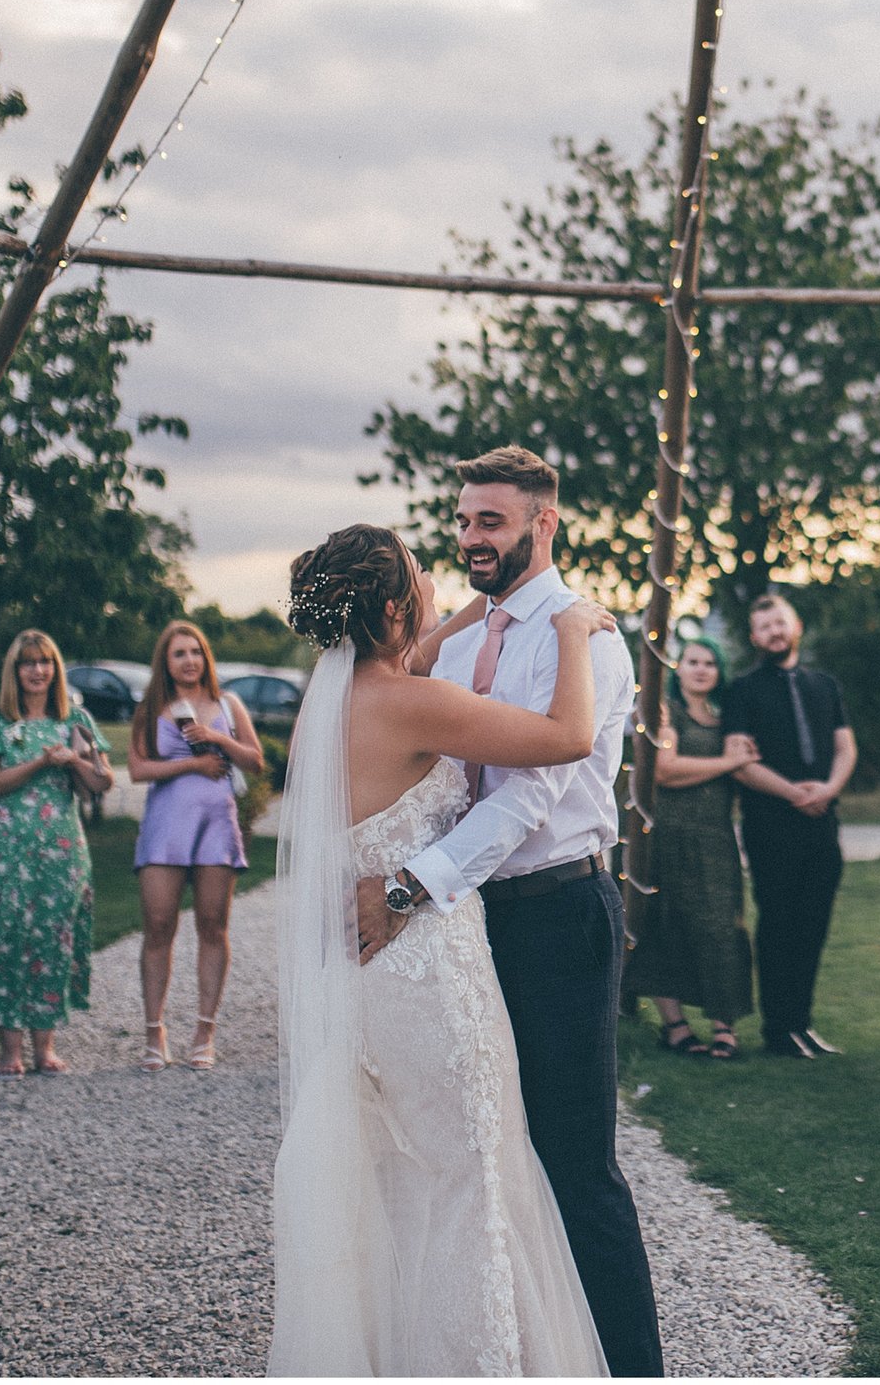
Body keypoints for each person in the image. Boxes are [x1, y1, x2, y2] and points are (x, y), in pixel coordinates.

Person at [269, 520, 618, 1375]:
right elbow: (570, 734)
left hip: (368, 983)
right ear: (393, 608)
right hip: (433, 979)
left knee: (409, 1181)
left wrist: (468, 616)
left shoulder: (330, 704)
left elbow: (415, 648)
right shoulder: (417, 704)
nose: (434, 590)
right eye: (422, 579)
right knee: (471, 1178)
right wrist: (571, 625)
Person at [370, 447, 660, 1376]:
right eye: (461, 521)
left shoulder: (590, 640)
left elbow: (528, 799)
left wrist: (406, 887)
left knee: (578, 1164)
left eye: (489, 521)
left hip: (559, 913)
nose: (469, 538)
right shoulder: (459, 641)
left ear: (545, 522)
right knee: (495, 1154)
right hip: (471, 927)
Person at [0, 630, 110, 1078]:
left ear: (56, 670)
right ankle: (9, 1050)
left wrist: (75, 761)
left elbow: (100, 784)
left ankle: (45, 1047)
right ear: (14, 670)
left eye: (45, 662)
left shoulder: (75, 719)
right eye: (28, 663)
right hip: (5, 848)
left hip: (61, 850)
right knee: (6, 936)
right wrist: (41, 763)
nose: (37, 671)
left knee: (53, 939)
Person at [128, 619, 264, 1073]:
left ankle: (205, 1031)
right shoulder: (152, 708)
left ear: (206, 657)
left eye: (195, 652)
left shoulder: (227, 703)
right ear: (165, 662)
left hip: (216, 826)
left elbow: (257, 761)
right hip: (166, 826)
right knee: (159, 924)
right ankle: (154, 1032)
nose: (188, 661)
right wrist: (191, 766)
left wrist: (218, 739)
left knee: (212, 924)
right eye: (178, 653)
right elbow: (137, 770)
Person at [724, 593, 856, 1062]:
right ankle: (778, 1028)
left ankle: (802, 1022)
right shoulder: (741, 691)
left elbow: (845, 748)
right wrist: (794, 793)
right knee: (778, 924)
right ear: (755, 637)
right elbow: (740, 764)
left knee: (814, 925)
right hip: (771, 825)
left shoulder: (825, 685)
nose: (774, 633)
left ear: (796, 625)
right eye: (764, 627)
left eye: (780, 623)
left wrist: (827, 790)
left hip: (823, 823)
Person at [626, 636, 755, 1061]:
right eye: (693, 661)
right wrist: (728, 764)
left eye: (710, 663)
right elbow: (665, 769)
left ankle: (724, 1025)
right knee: (668, 928)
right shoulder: (667, 713)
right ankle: (676, 1026)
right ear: (679, 669)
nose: (701, 669)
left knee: (721, 927)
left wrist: (735, 762)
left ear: (719, 673)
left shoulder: (726, 719)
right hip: (669, 834)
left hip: (715, 835)